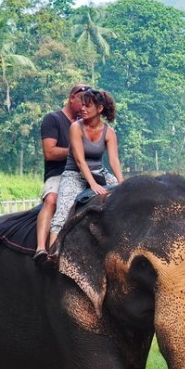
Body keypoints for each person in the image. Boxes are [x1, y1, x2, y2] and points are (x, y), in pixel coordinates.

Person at [48, 88, 123, 247]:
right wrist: (93, 184)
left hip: (99, 172)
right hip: (75, 174)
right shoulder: (76, 127)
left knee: (123, 197)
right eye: (82, 105)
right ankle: (52, 252)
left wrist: (121, 182)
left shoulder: (109, 132)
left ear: (99, 109)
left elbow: (114, 160)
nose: (82, 109)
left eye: (87, 106)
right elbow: (79, 160)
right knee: (63, 211)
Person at [33, 83, 90, 261]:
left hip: (84, 175)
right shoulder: (53, 119)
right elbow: (50, 153)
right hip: (59, 174)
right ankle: (41, 248)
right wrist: (75, 151)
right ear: (72, 98)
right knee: (51, 200)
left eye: (89, 103)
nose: (84, 106)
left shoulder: (86, 125)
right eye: (82, 101)